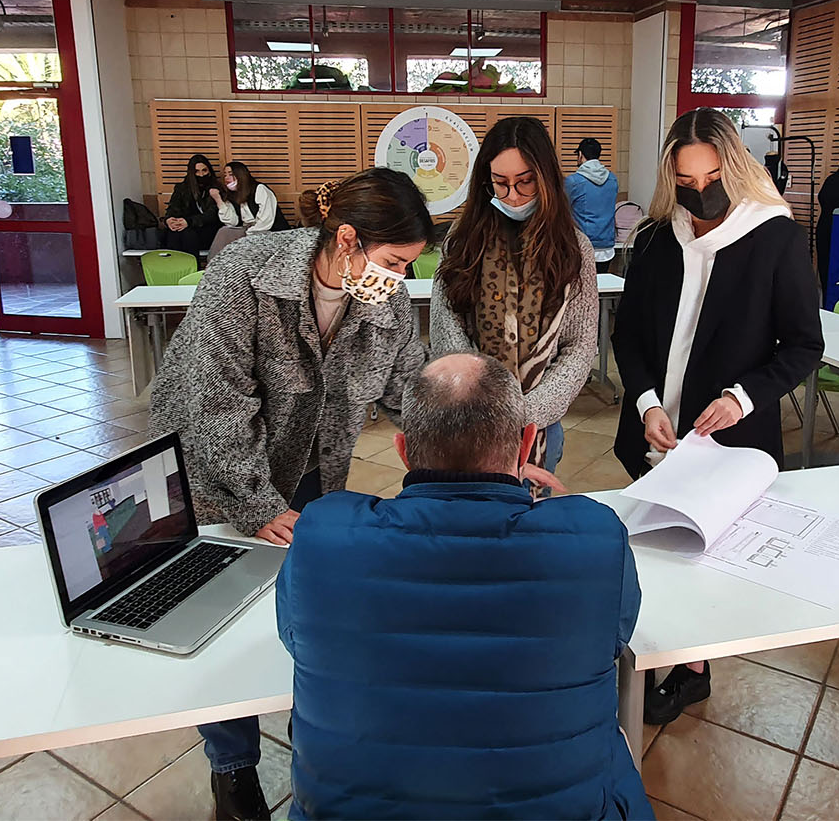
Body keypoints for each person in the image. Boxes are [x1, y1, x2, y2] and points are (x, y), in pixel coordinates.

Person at [149, 167, 433, 821]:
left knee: (304, 603)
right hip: (215, 470)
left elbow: (411, 391)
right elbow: (216, 406)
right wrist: (257, 503)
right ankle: (233, 767)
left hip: (311, 463)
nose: (399, 280)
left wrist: (472, 466)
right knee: (224, 616)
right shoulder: (246, 275)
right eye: (393, 262)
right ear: (347, 239)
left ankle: (315, 735)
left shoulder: (383, 299)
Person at [276, 351, 651, 820]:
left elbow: (294, 636)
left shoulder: (321, 534)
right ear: (527, 443)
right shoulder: (595, 540)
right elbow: (615, 635)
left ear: (403, 451)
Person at [611, 107, 824, 726]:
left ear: (734, 167)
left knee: (704, 561)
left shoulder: (775, 237)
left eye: (710, 178)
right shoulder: (656, 239)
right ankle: (655, 650)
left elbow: (804, 346)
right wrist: (647, 402)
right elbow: (627, 338)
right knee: (653, 550)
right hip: (658, 429)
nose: (699, 192)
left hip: (728, 441)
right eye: (685, 181)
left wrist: (741, 397)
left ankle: (695, 669)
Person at [431, 115, 597, 476]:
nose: (513, 196)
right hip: (469, 418)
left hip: (539, 422)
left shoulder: (572, 248)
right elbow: (448, 334)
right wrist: (484, 409)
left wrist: (526, 411)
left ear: (547, 180)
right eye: (500, 184)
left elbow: (579, 346)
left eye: (526, 183)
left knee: (530, 515)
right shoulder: (463, 241)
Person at [564, 137, 620, 273]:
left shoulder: (573, 182)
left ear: (580, 155)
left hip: (582, 246)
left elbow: (562, 209)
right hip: (607, 247)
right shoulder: (612, 180)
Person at [159, 153, 222, 254]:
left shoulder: (216, 189)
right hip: (185, 228)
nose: (201, 175)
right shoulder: (181, 188)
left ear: (209, 171)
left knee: (188, 234)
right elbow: (173, 208)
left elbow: (212, 215)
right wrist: (169, 220)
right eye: (197, 171)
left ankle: (191, 267)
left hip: (207, 229)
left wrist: (189, 222)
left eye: (204, 170)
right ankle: (176, 268)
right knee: (174, 233)